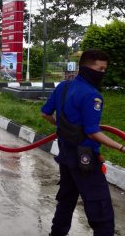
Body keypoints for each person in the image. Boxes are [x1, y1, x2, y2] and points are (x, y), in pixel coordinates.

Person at [41, 49, 125, 236]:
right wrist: (121, 147)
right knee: (100, 210)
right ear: (87, 68)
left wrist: (62, 126)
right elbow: (93, 131)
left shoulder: (63, 87)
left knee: (66, 201)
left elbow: (45, 113)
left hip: (65, 155)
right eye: (100, 69)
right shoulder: (92, 95)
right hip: (85, 159)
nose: (102, 73)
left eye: (105, 69)